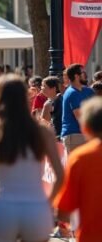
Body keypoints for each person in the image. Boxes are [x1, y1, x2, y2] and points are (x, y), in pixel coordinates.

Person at [0, 75, 64, 242]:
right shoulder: (43, 132)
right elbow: (60, 175)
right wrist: (48, 202)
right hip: (35, 206)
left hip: (1, 205)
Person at [54, 96, 102, 242]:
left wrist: (64, 225)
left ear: (84, 128)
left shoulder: (80, 158)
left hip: (90, 235)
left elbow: (64, 211)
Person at [61, 63, 94, 153]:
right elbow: (80, 117)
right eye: (83, 72)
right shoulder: (72, 93)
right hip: (74, 136)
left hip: (84, 135)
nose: (85, 74)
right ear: (76, 76)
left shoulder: (88, 91)